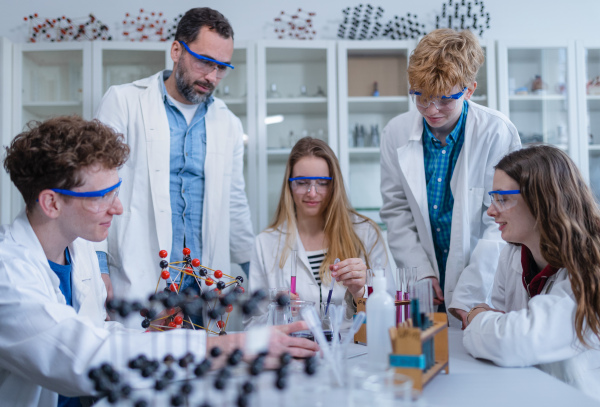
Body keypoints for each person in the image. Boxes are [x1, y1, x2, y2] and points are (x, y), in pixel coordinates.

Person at [0, 116, 318, 407]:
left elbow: (100, 333)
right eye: (102, 196)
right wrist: (237, 346)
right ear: (51, 203)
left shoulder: (78, 248)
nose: (118, 208)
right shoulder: (9, 277)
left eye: (116, 192)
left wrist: (153, 339)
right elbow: (85, 357)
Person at [94, 7, 254, 327]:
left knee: (203, 374)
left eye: (223, 67)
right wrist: (98, 270)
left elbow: (234, 203)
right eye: (205, 62)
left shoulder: (228, 123)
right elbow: (95, 190)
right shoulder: (123, 102)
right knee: (141, 371)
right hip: (139, 277)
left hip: (202, 287)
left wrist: (256, 275)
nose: (213, 76)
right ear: (177, 51)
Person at [379, 28, 521, 327]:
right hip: (425, 279)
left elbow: (501, 221)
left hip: (482, 280)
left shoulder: (496, 132)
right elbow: (396, 210)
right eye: (421, 96)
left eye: (444, 99)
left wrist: (469, 292)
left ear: (469, 89)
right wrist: (419, 271)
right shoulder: (396, 132)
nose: (431, 110)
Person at [463, 145, 600, 400]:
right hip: (531, 391)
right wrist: (492, 325)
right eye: (492, 199)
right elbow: (502, 329)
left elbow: (512, 341)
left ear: (543, 200)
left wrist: (476, 317)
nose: (491, 211)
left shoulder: (591, 265)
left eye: (503, 199)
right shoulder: (513, 254)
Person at [245, 137, 394, 329]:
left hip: (353, 354)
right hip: (293, 355)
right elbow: (251, 325)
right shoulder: (265, 243)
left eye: (322, 182)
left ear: (334, 185)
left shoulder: (366, 234)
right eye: (302, 182)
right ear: (289, 185)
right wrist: (277, 314)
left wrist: (360, 293)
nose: (312, 192)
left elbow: (392, 315)